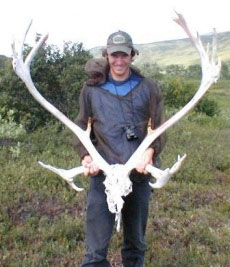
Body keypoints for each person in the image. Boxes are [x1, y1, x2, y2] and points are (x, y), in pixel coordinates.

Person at [73, 30, 165, 267]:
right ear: (106, 56)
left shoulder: (148, 88)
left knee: (135, 246)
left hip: (138, 174)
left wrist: (150, 152)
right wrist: (86, 157)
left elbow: (159, 128)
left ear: (132, 55)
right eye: (114, 56)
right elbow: (80, 128)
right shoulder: (91, 90)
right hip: (103, 176)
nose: (119, 61)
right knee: (94, 253)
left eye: (124, 55)